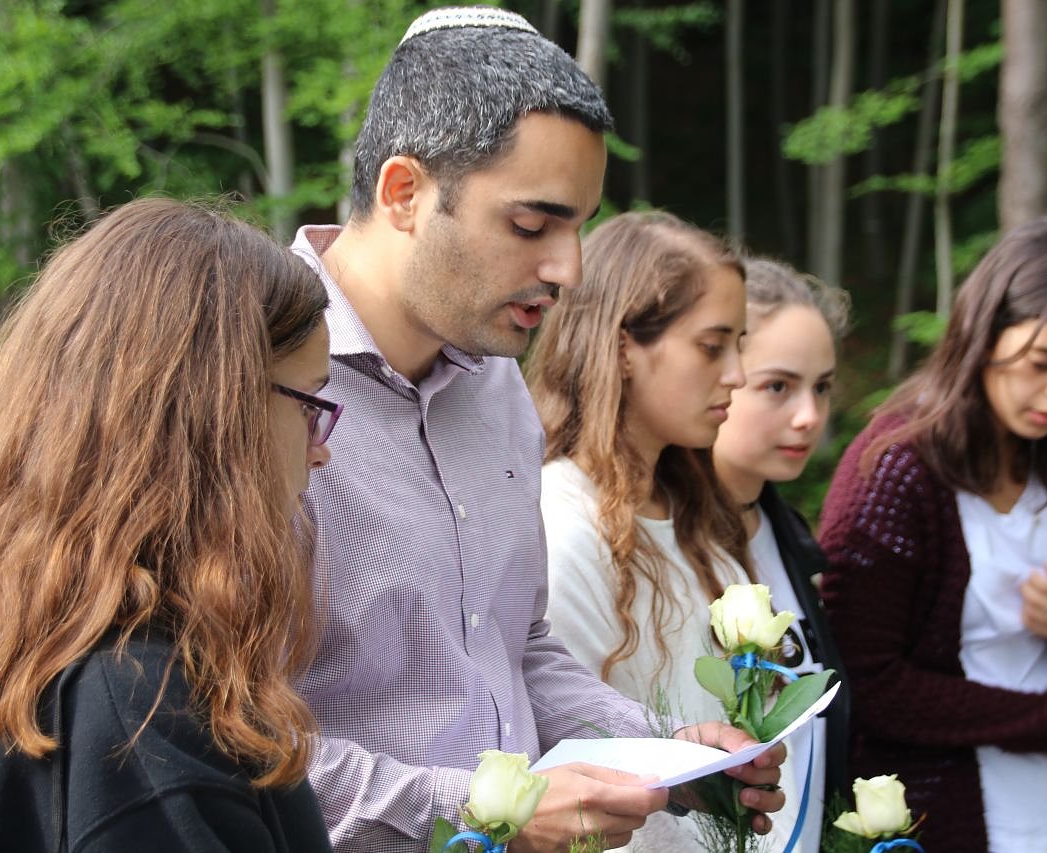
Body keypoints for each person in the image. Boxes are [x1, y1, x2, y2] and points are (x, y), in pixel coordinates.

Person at [289, 8, 785, 852]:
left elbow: (515, 651)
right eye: (531, 225)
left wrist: (661, 754)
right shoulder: (243, 378)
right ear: (404, 193)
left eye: (579, 225)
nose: (569, 268)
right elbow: (215, 736)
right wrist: (492, 811)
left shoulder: (496, 386)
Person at [0, 198, 338, 852]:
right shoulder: (148, 723)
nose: (321, 448)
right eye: (309, 404)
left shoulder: (4, 632)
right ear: (211, 415)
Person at [817, 215, 1047, 853]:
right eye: (1043, 362)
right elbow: (868, 682)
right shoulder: (895, 471)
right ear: (983, 333)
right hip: (930, 820)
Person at [526, 210, 756, 852]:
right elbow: (575, 747)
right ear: (624, 346)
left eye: (739, 345)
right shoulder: (562, 521)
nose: (737, 374)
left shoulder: (693, 512)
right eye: (711, 346)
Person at [709, 258, 852, 853]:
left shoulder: (782, 531)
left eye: (821, 387)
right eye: (777, 386)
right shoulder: (649, 539)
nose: (809, 416)